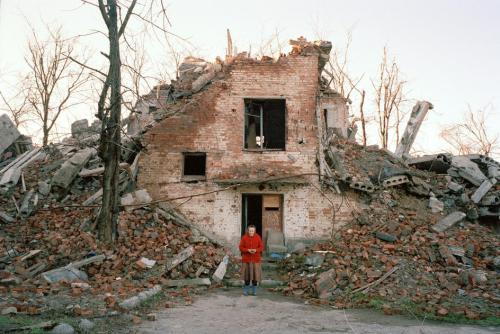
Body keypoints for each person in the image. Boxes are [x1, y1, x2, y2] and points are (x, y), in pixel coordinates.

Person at [239, 225, 263, 296]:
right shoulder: (244, 237)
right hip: (246, 260)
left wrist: (256, 250)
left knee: (255, 276)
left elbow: (261, 247)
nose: (251, 232)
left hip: (255, 260)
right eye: (250, 231)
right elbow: (240, 247)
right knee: (247, 276)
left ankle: (254, 290)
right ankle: (246, 290)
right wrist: (247, 250)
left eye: (252, 231)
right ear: (248, 231)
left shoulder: (258, 237)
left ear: (254, 231)